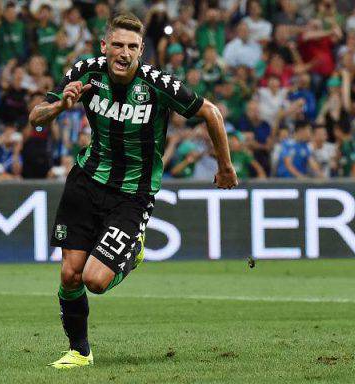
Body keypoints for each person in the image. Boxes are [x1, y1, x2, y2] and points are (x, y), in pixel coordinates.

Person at [29, 13, 238, 369]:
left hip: (132, 193)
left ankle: (133, 251)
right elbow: (35, 117)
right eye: (117, 45)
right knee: (69, 275)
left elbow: (212, 113)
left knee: (94, 281)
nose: (124, 53)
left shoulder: (157, 83)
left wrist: (225, 166)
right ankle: (80, 351)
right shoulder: (85, 72)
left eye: (132, 47)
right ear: (104, 46)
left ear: (141, 50)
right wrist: (58, 107)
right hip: (85, 182)